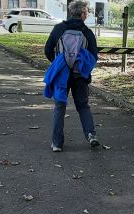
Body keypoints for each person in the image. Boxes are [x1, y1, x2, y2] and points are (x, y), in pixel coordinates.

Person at [44, 0, 99, 152]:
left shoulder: (58, 29)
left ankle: (57, 143)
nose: (87, 14)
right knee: (83, 106)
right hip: (80, 75)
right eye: (86, 12)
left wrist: (59, 64)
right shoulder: (87, 32)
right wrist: (83, 67)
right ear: (82, 14)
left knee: (59, 107)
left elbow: (48, 50)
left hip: (61, 75)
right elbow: (94, 55)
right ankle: (91, 135)